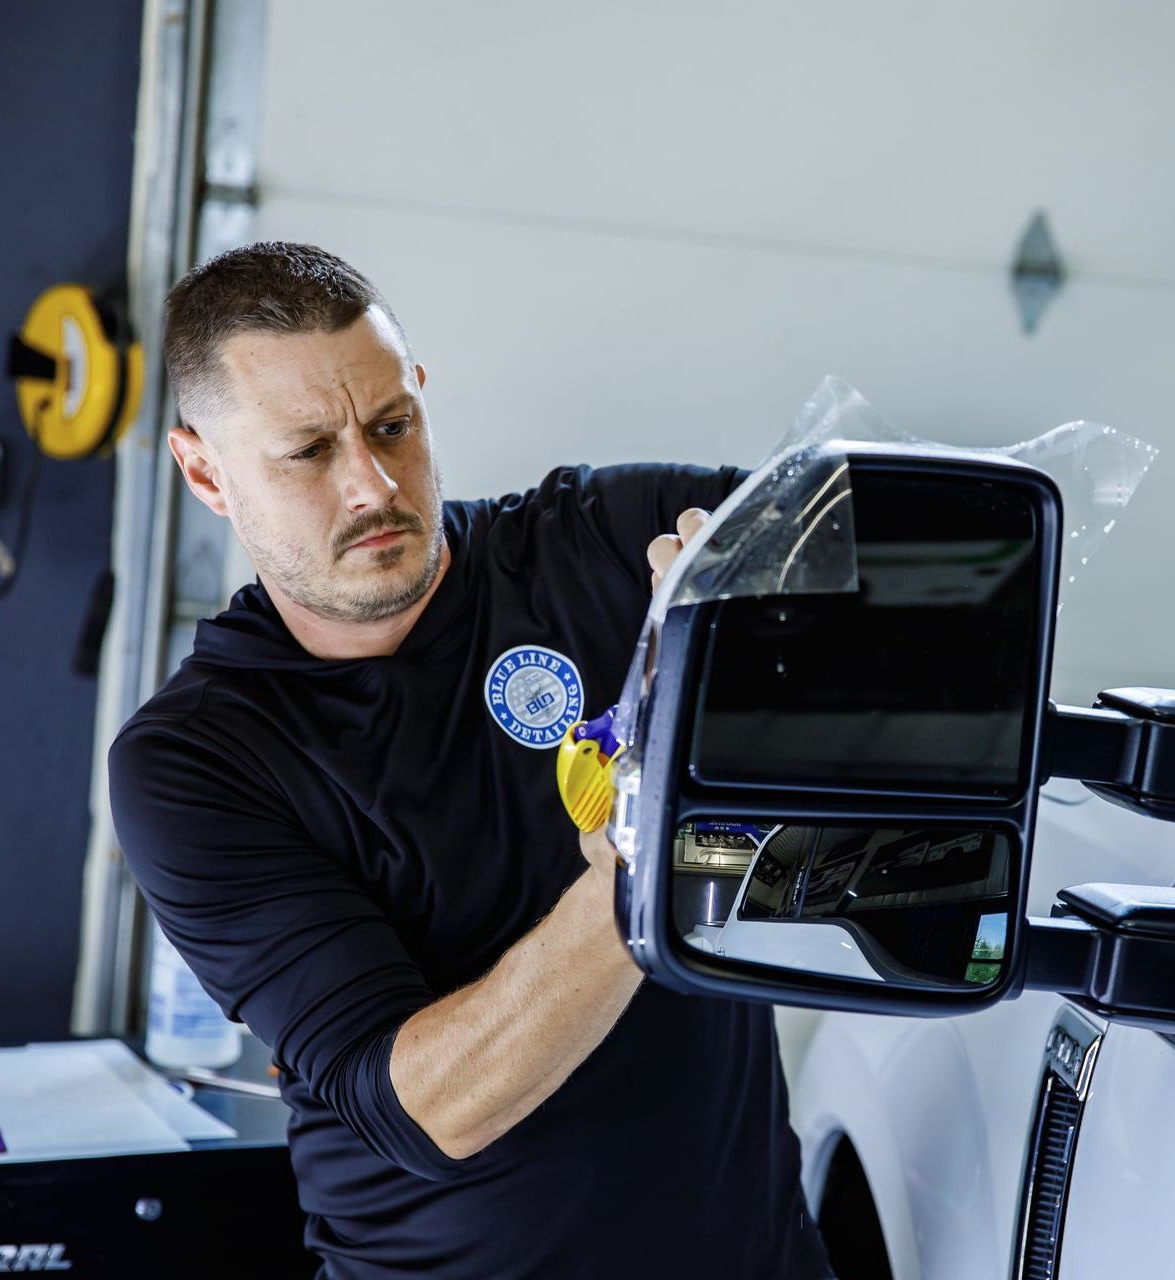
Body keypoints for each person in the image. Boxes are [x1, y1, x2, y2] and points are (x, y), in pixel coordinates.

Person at [108, 242, 831, 1279]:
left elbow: (909, 567)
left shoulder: (599, 545)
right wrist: (650, 847)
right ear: (204, 470)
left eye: (392, 426)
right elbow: (427, 1108)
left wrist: (802, 637)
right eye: (308, 450)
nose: (371, 483)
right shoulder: (202, 758)